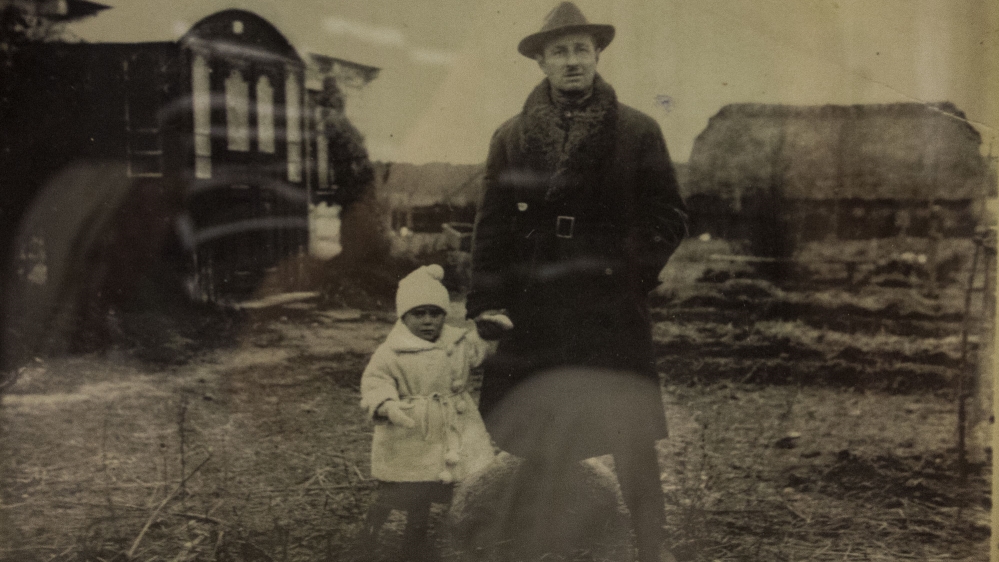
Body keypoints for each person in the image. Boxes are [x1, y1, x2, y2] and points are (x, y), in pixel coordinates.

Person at [465, 3, 689, 562]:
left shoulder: (637, 130)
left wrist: (624, 270)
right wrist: (488, 301)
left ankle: (651, 546)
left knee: (630, 433)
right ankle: (549, 541)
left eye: (581, 50)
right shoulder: (511, 136)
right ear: (540, 62)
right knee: (541, 425)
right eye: (559, 51)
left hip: (608, 304)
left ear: (597, 56)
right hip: (535, 303)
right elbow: (490, 226)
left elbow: (669, 217)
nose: (572, 61)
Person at [357, 265, 508, 560]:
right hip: (411, 429)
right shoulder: (391, 352)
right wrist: (387, 405)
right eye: (419, 313)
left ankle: (460, 538)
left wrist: (490, 333)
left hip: (453, 422)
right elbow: (375, 382)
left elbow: (479, 351)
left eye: (435, 313)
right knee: (404, 487)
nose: (428, 321)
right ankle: (370, 538)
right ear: (404, 316)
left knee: (460, 482)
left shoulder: (456, 343)